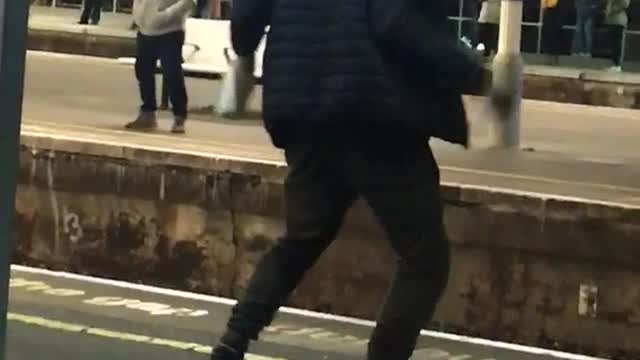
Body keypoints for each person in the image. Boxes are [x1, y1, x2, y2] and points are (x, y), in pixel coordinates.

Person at [208, 0, 494, 358]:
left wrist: (248, 43)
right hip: (373, 112)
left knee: (301, 240)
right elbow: (397, 23)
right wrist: (472, 71)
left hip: (305, 109)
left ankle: (234, 339)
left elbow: (246, 24)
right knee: (425, 258)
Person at [125, 0, 194, 134]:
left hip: (170, 31)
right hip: (145, 30)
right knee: (143, 70)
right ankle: (148, 112)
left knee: (171, 72)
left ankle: (179, 115)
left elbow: (189, 2)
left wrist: (166, 15)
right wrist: (138, 16)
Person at [603, 0, 630, 72]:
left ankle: (617, 65)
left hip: (619, 21)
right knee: (613, 44)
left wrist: (612, 9)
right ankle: (614, 64)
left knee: (617, 44)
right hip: (612, 21)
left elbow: (625, 3)